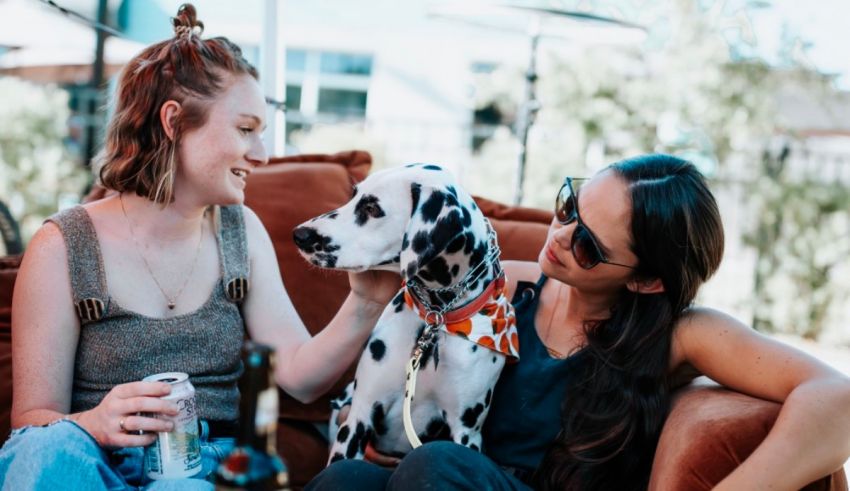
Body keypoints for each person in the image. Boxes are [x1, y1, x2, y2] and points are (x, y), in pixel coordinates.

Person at [0, 4, 396, 489]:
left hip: (207, 466)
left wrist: (366, 301)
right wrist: (94, 422)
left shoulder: (239, 231)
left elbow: (298, 375)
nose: (262, 155)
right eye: (245, 129)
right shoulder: (63, 245)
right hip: (93, 464)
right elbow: (32, 421)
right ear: (174, 122)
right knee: (47, 445)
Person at [308, 154, 850, 490]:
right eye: (570, 207)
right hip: (440, 479)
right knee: (346, 478)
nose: (559, 235)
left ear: (645, 280)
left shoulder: (681, 333)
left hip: (472, 479)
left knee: (438, 467)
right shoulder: (498, 287)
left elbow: (835, 396)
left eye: (589, 243)